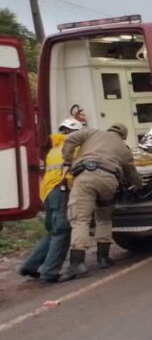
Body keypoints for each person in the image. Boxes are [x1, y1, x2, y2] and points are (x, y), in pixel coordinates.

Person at [58, 123, 141, 281]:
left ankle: (77, 264)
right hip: (109, 181)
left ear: (109, 129)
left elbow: (69, 139)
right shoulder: (124, 149)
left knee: (80, 219)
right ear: (123, 136)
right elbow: (132, 174)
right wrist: (138, 186)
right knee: (104, 218)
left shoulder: (92, 132)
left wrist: (68, 162)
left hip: (86, 177)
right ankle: (103, 258)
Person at [17, 118, 84, 283]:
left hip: (47, 193)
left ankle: (30, 266)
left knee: (53, 231)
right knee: (62, 231)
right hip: (60, 191)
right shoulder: (73, 148)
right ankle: (50, 272)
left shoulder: (54, 149)